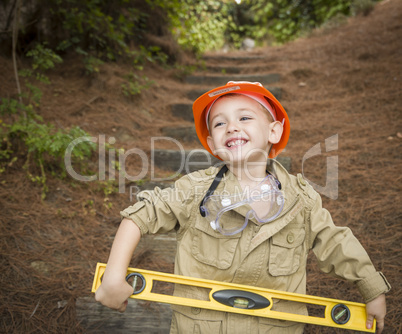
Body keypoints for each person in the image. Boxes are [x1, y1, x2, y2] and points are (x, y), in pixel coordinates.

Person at [95, 81, 391, 333]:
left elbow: (336, 242)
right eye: (220, 123)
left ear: (274, 132)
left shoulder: (302, 200)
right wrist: (113, 276)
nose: (232, 126)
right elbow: (139, 216)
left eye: (245, 118)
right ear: (212, 142)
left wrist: (372, 288)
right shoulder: (195, 191)